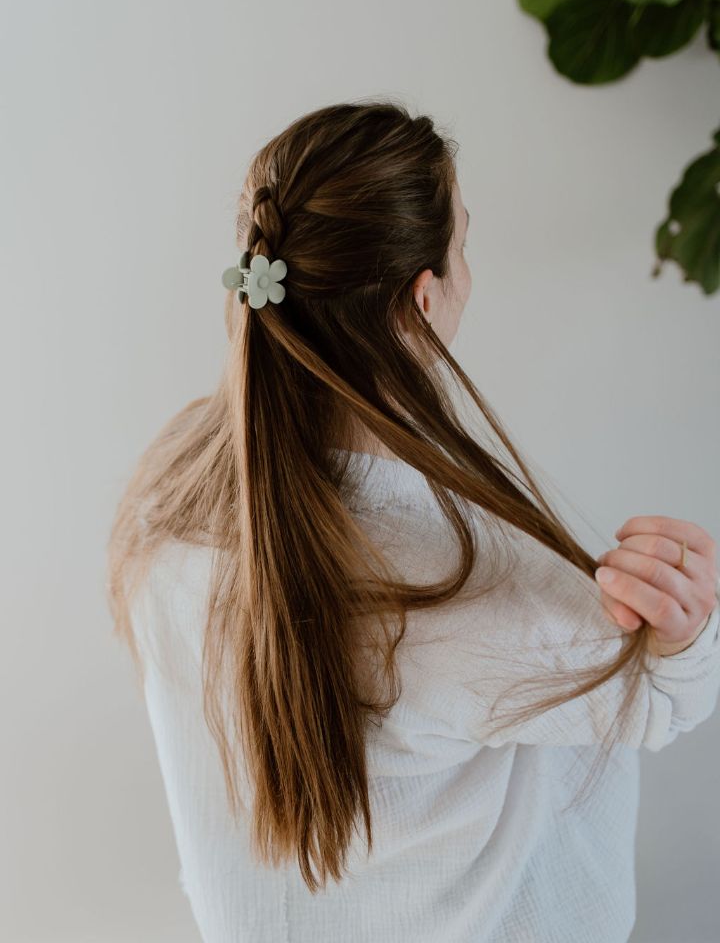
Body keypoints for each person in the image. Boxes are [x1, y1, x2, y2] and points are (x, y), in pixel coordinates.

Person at [107, 99, 720, 943]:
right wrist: (688, 638)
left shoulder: (170, 491)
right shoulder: (470, 599)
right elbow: (654, 700)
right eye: (463, 241)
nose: (469, 263)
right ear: (421, 302)